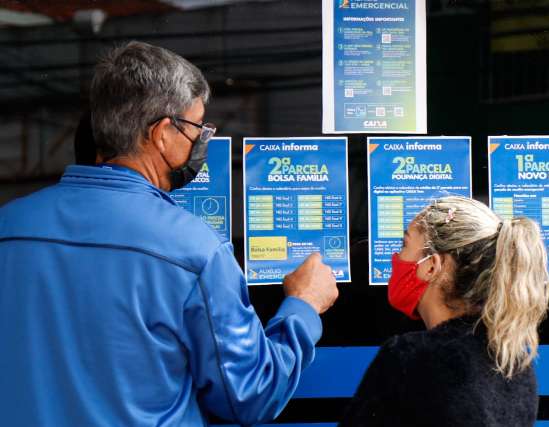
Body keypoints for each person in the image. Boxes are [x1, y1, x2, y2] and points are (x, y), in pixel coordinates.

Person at [0, 41, 338, 427]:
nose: (202, 141)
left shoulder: (8, 228)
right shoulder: (194, 250)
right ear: (162, 133)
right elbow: (250, 395)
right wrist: (303, 307)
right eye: (198, 127)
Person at [340, 196, 549, 426]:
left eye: (404, 245)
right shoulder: (513, 361)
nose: (396, 258)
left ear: (432, 267)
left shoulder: (409, 358)